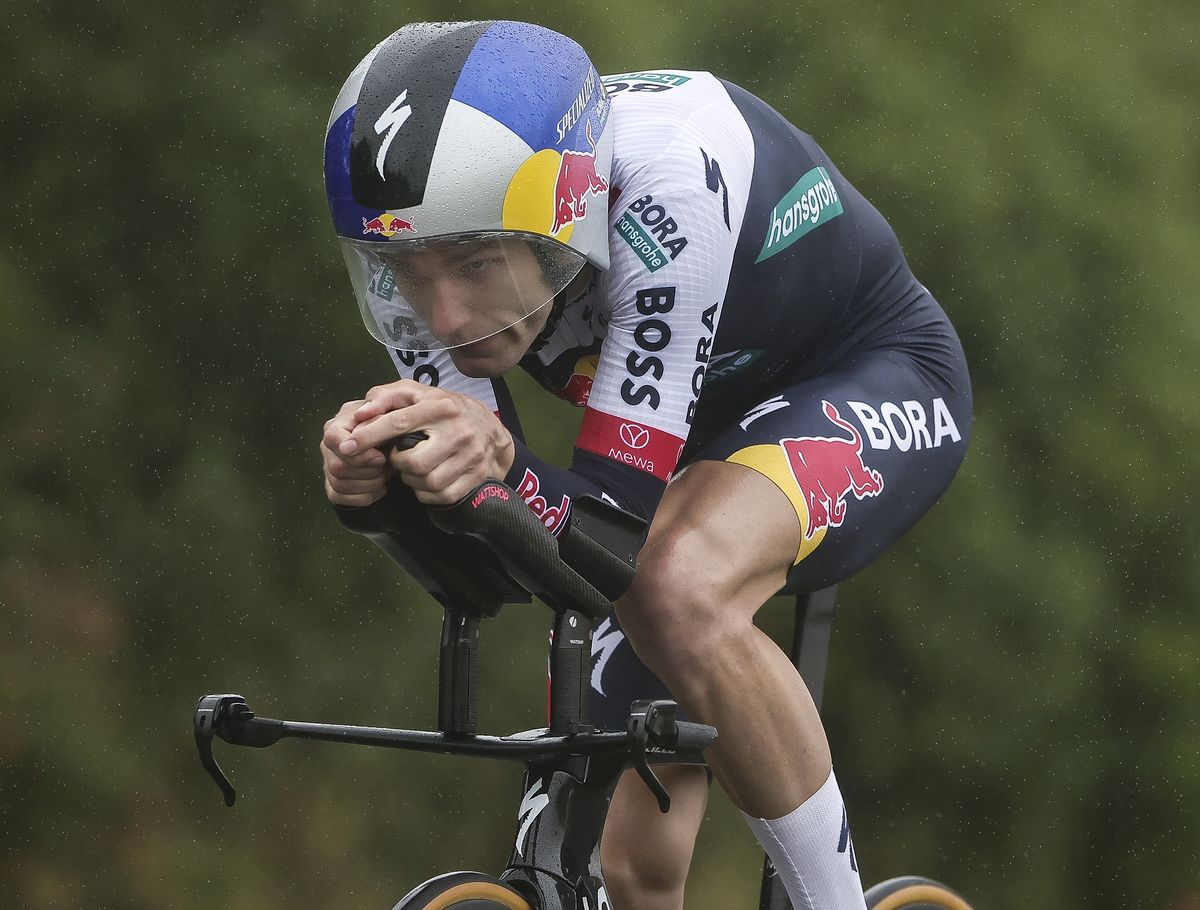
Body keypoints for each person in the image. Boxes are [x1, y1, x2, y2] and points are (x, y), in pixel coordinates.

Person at [319, 20, 971, 910]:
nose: (442, 313)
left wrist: (502, 472)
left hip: (867, 370)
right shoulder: (418, 261)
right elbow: (506, 561)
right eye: (406, 268)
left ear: (565, 219)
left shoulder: (670, 183)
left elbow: (610, 542)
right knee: (638, 864)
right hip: (683, 441)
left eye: (475, 263)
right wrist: (383, 500)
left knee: (678, 584)